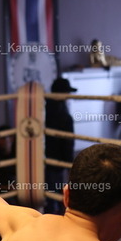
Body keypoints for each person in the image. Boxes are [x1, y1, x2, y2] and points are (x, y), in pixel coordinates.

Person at [45, 77, 76, 213]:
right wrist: (69, 165)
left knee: (50, 196)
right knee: (59, 196)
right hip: (58, 162)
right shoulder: (64, 115)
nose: (68, 95)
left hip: (44, 159)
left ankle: (50, 219)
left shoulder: (43, 109)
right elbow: (68, 143)